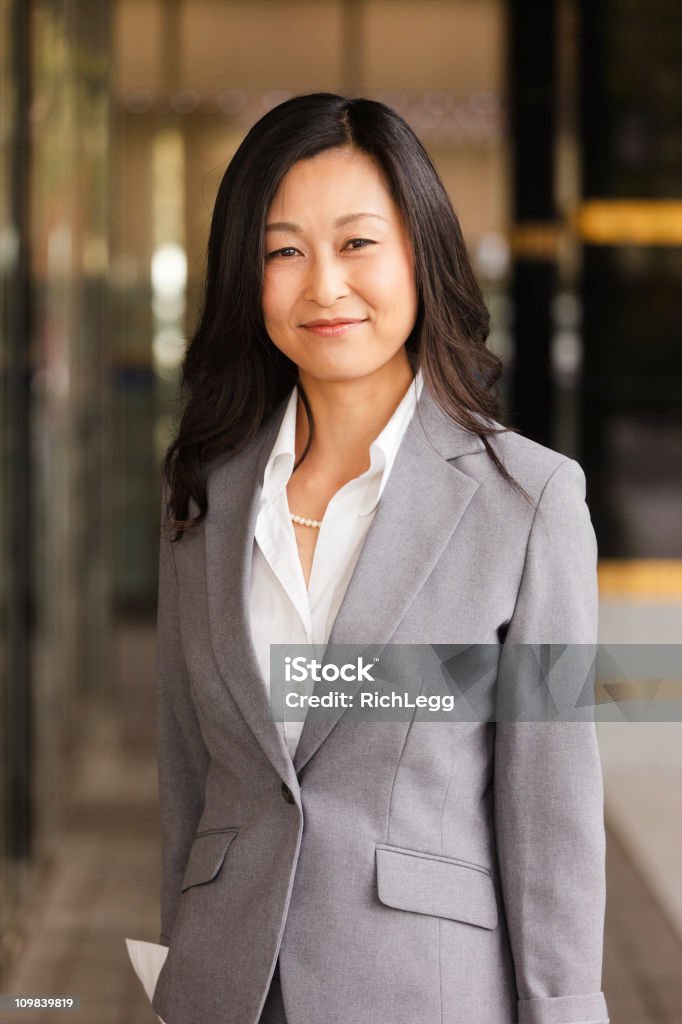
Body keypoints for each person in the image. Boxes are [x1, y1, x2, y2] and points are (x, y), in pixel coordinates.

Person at [126, 93, 609, 1024]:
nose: (324, 286)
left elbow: (551, 817)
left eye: (357, 244)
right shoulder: (201, 496)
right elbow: (189, 781)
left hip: (422, 992)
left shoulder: (530, 504)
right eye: (283, 250)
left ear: (419, 254)